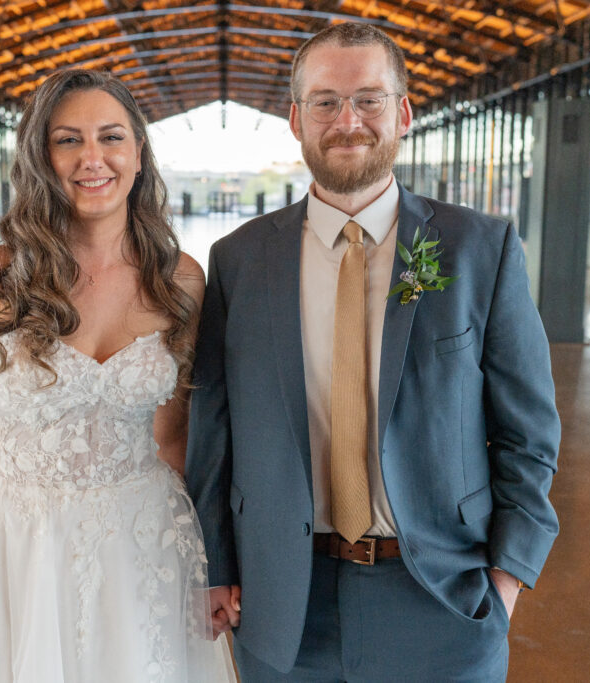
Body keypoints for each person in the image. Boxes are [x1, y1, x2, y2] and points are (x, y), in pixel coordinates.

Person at [186, 22, 562, 681]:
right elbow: (213, 430)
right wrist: (217, 565)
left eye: (369, 98)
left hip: (442, 598)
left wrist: (505, 582)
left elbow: (528, 434)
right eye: (326, 101)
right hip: (284, 606)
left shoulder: (478, 249)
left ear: (404, 112)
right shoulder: (239, 260)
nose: (348, 120)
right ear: (296, 118)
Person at [0, 69, 236, 682]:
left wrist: (209, 565)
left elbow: (176, 438)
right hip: (13, 551)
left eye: (111, 137)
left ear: (138, 152)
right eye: (67, 140)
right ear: (40, 156)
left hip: (143, 548)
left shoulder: (179, 279)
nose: (92, 158)